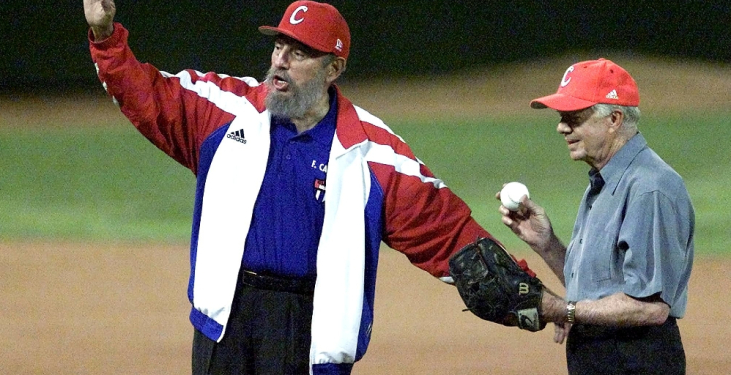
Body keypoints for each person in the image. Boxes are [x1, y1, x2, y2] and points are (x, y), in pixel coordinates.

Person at [83, 1, 519, 374]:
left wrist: (530, 295)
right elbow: (148, 96)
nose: (280, 61)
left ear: (334, 68)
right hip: (222, 322)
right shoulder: (225, 112)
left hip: (306, 328)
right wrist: (105, 36)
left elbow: (445, 230)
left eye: (300, 52)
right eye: (278, 46)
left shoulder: (370, 152)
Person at [499, 58, 695, 374]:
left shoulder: (650, 187)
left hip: (635, 359)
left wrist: (560, 310)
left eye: (573, 117)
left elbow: (649, 308)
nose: (561, 126)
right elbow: (600, 286)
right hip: (601, 354)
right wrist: (547, 244)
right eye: (562, 117)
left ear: (614, 118)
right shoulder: (604, 182)